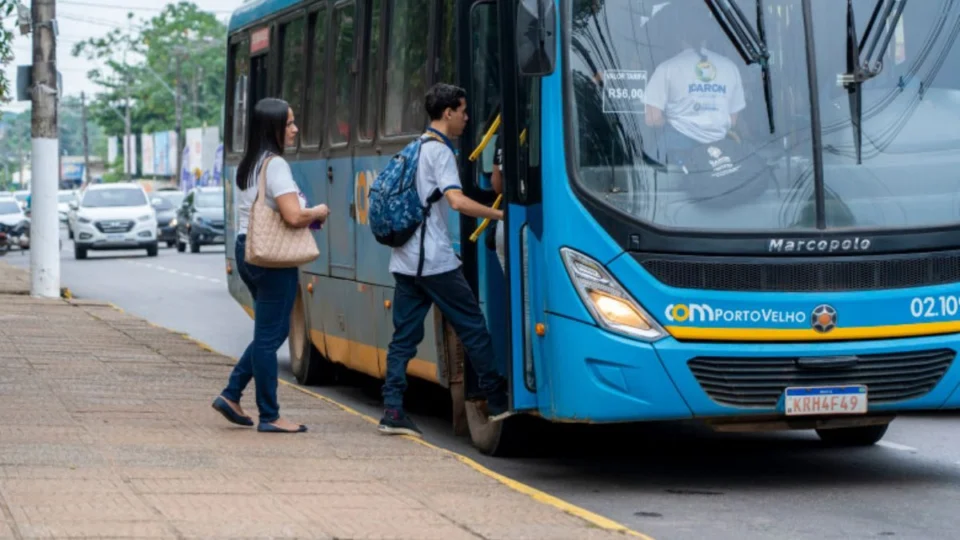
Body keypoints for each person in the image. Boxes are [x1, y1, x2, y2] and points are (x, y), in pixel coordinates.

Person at [379, 83, 511, 437]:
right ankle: (497, 401)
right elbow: (456, 202)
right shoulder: (440, 153)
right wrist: (501, 216)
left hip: (405, 260)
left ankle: (392, 409)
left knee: (403, 338)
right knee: (473, 328)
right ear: (448, 112)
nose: (467, 118)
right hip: (435, 262)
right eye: (463, 111)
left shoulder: (415, 146)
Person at [211, 97, 329, 434]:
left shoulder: (249, 163)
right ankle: (270, 415)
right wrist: (317, 212)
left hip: (248, 251)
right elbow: (293, 215)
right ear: (273, 127)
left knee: (273, 332)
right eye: (289, 123)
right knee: (268, 336)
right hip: (273, 258)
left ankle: (232, 395)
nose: (294, 129)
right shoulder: (275, 165)